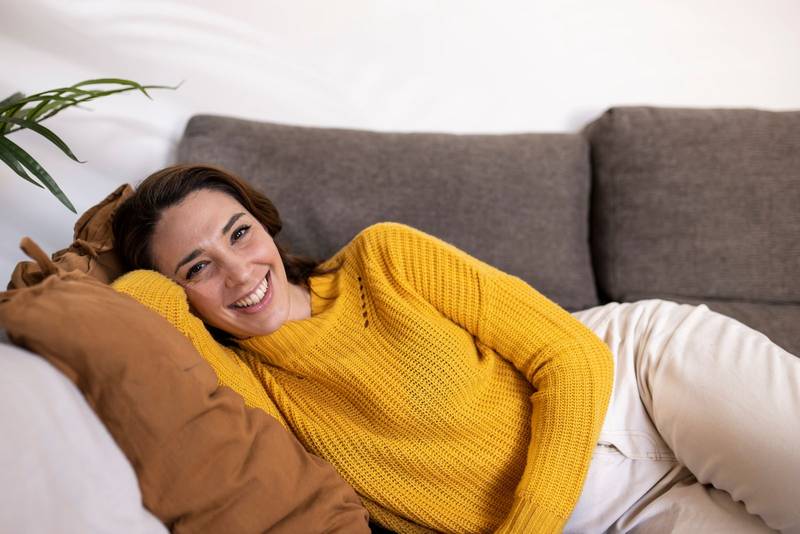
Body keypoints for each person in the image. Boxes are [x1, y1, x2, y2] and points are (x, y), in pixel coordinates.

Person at [111, 164, 800, 534]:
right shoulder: (247, 384)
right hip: (614, 515)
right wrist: (148, 272)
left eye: (238, 233)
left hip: (638, 382)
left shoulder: (381, 259)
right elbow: (140, 310)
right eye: (196, 267)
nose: (237, 273)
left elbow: (573, 360)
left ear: (265, 224)